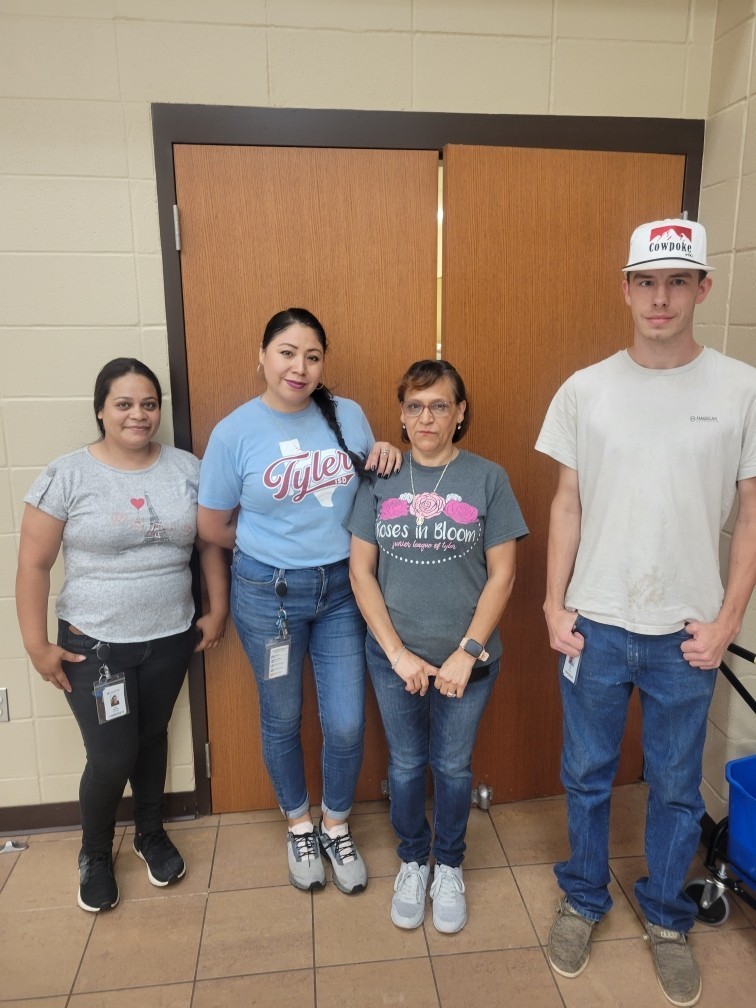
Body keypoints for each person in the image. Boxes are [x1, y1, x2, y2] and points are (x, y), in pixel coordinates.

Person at [536, 218, 756, 1007]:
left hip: (686, 636)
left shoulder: (740, 387)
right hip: (594, 627)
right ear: (626, 288)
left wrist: (728, 621)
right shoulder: (585, 389)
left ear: (702, 287)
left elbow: (752, 513)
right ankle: (583, 897)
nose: (660, 298)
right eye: (646, 282)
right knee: (587, 774)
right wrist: (553, 603)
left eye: (677, 281)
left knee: (674, 788)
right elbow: (566, 503)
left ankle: (666, 916)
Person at [197, 307, 401, 895]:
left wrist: (385, 450)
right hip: (269, 595)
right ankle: (299, 824)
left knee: (346, 721)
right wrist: (271, 551)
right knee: (282, 715)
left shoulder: (348, 414)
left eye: (312, 356)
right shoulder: (234, 432)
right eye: (287, 352)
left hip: (344, 590)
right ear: (262, 357)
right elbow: (212, 525)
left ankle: (336, 822)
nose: (300, 367)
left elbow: (368, 486)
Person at [16, 358, 229, 914]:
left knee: (153, 737)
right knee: (112, 757)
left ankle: (150, 834)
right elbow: (33, 565)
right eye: (125, 404)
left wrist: (218, 607)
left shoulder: (187, 468)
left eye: (149, 404)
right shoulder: (68, 475)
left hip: (170, 638)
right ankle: (93, 853)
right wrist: (36, 645)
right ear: (101, 411)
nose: (139, 414)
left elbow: (209, 544)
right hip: (93, 646)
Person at [346, 359, 528, 933]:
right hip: (392, 657)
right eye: (415, 406)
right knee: (404, 764)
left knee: (451, 766)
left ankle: (447, 864)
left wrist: (466, 652)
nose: (426, 417)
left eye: (440, 405)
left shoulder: (488, 478)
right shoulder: (380, 479)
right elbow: (360, 573)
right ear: (402, 415)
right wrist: (397, 653)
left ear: (460, 412)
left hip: (466, 663)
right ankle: (411, 861)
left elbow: (503, 576)